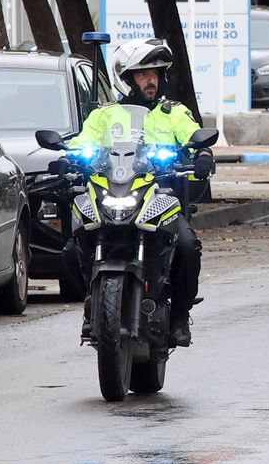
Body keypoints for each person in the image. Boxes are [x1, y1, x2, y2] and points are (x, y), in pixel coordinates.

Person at [67, 38, 213, 347]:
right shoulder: (103, 115)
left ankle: (179, 317)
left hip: (161, 197)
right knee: (71, 246)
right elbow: (82, 143)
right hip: (113, 190)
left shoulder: (173, 112)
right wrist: (67, 157)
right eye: (143, 74)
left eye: (155, 74)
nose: (151, 80)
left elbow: (192, 135)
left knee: (187, 246)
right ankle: (91, 302)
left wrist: (201, 155)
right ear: (127, 78)